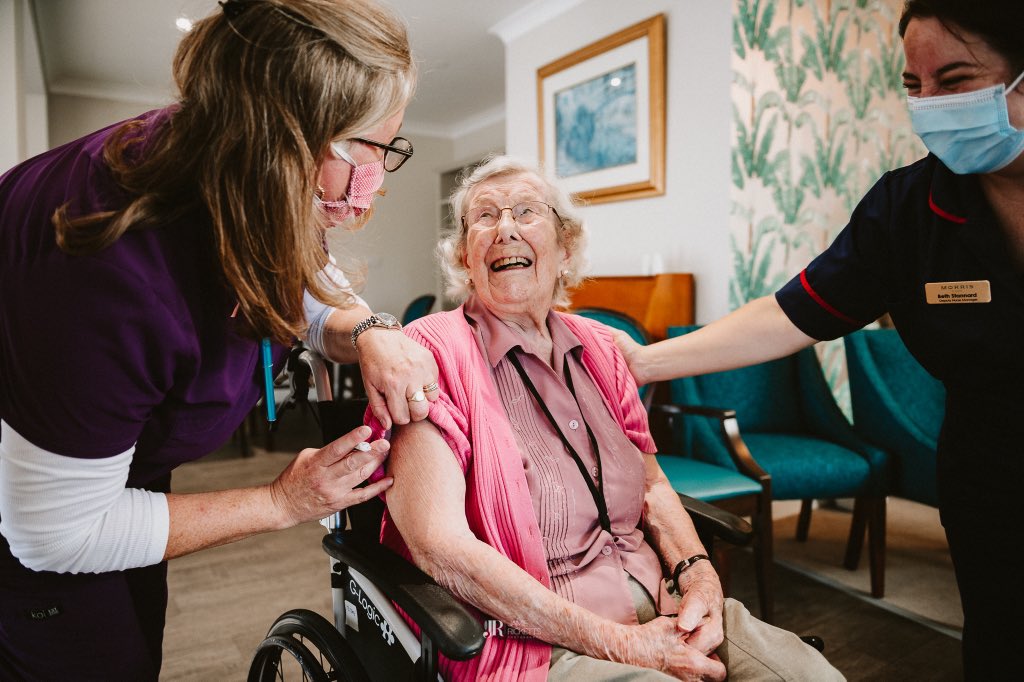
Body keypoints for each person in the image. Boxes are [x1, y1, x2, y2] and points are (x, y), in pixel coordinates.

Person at [0, 1, 439, 679]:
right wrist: (279, 502)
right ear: (288, 143)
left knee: (138, 632)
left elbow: (300, 267)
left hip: (120, 471)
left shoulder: (244, 163)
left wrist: (367, 326)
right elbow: (57, 532)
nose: (378, 174)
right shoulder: (112, 271)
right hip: (34, 502)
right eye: (374, 146)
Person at [614, 1, 1024, 679]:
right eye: (913, 87)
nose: (930, 107)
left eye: (954, 81)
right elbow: (793, 313)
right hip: (990, 466)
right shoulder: (908, 210)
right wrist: (641, 361)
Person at [376, 156, 844, 681]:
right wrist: (622, 644)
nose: (505, 226)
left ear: (565, 248)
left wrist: (699, 576)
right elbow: (438, 546)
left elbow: (651, 486)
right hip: (534, 637)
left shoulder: (602, 348)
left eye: (526, 211)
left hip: (664, 605)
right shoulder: (431, 352)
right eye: (485, 217)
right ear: (466, 257)